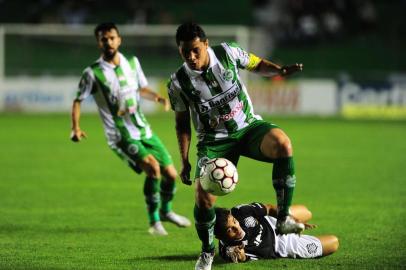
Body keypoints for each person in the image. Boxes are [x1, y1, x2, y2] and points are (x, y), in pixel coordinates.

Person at [167, 22, 305, 269]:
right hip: (213, 143)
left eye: (195, 50)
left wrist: (279, 71)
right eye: (184, 51)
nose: (190, 56)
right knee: (202, 197)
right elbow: (182, 125)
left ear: (206, 44)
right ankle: (207, 252)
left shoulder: (227, 53)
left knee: (283, 144)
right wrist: (185, 159)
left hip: (248, 128)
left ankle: (283, 218)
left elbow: (257, 64)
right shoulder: (178, 83)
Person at [70, 22, 191, 236]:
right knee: (153, 169)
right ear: (98, 42)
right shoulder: (93, 73)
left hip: (143, 129)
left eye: (111, 37)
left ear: (119, 40)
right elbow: (78, 100)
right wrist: (76, 128)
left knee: (171, 175)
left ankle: (166, 212)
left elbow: (141, 88)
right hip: (120, 135)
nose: (108, 41)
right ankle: (154, 223)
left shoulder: (133, 63)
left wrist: (157, 97)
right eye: (103, 38)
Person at [214, 202, 339, 263]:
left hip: (272, 222)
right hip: (282, 246)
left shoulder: (240, 211)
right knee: (334, 242)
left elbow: (268, 208)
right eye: (230, 230)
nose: (237, 228)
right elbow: (240, 257)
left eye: (234, 222)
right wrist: (240, 256)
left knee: (306, 212)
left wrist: (288, 220)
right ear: (220, 236)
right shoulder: (228, 250)